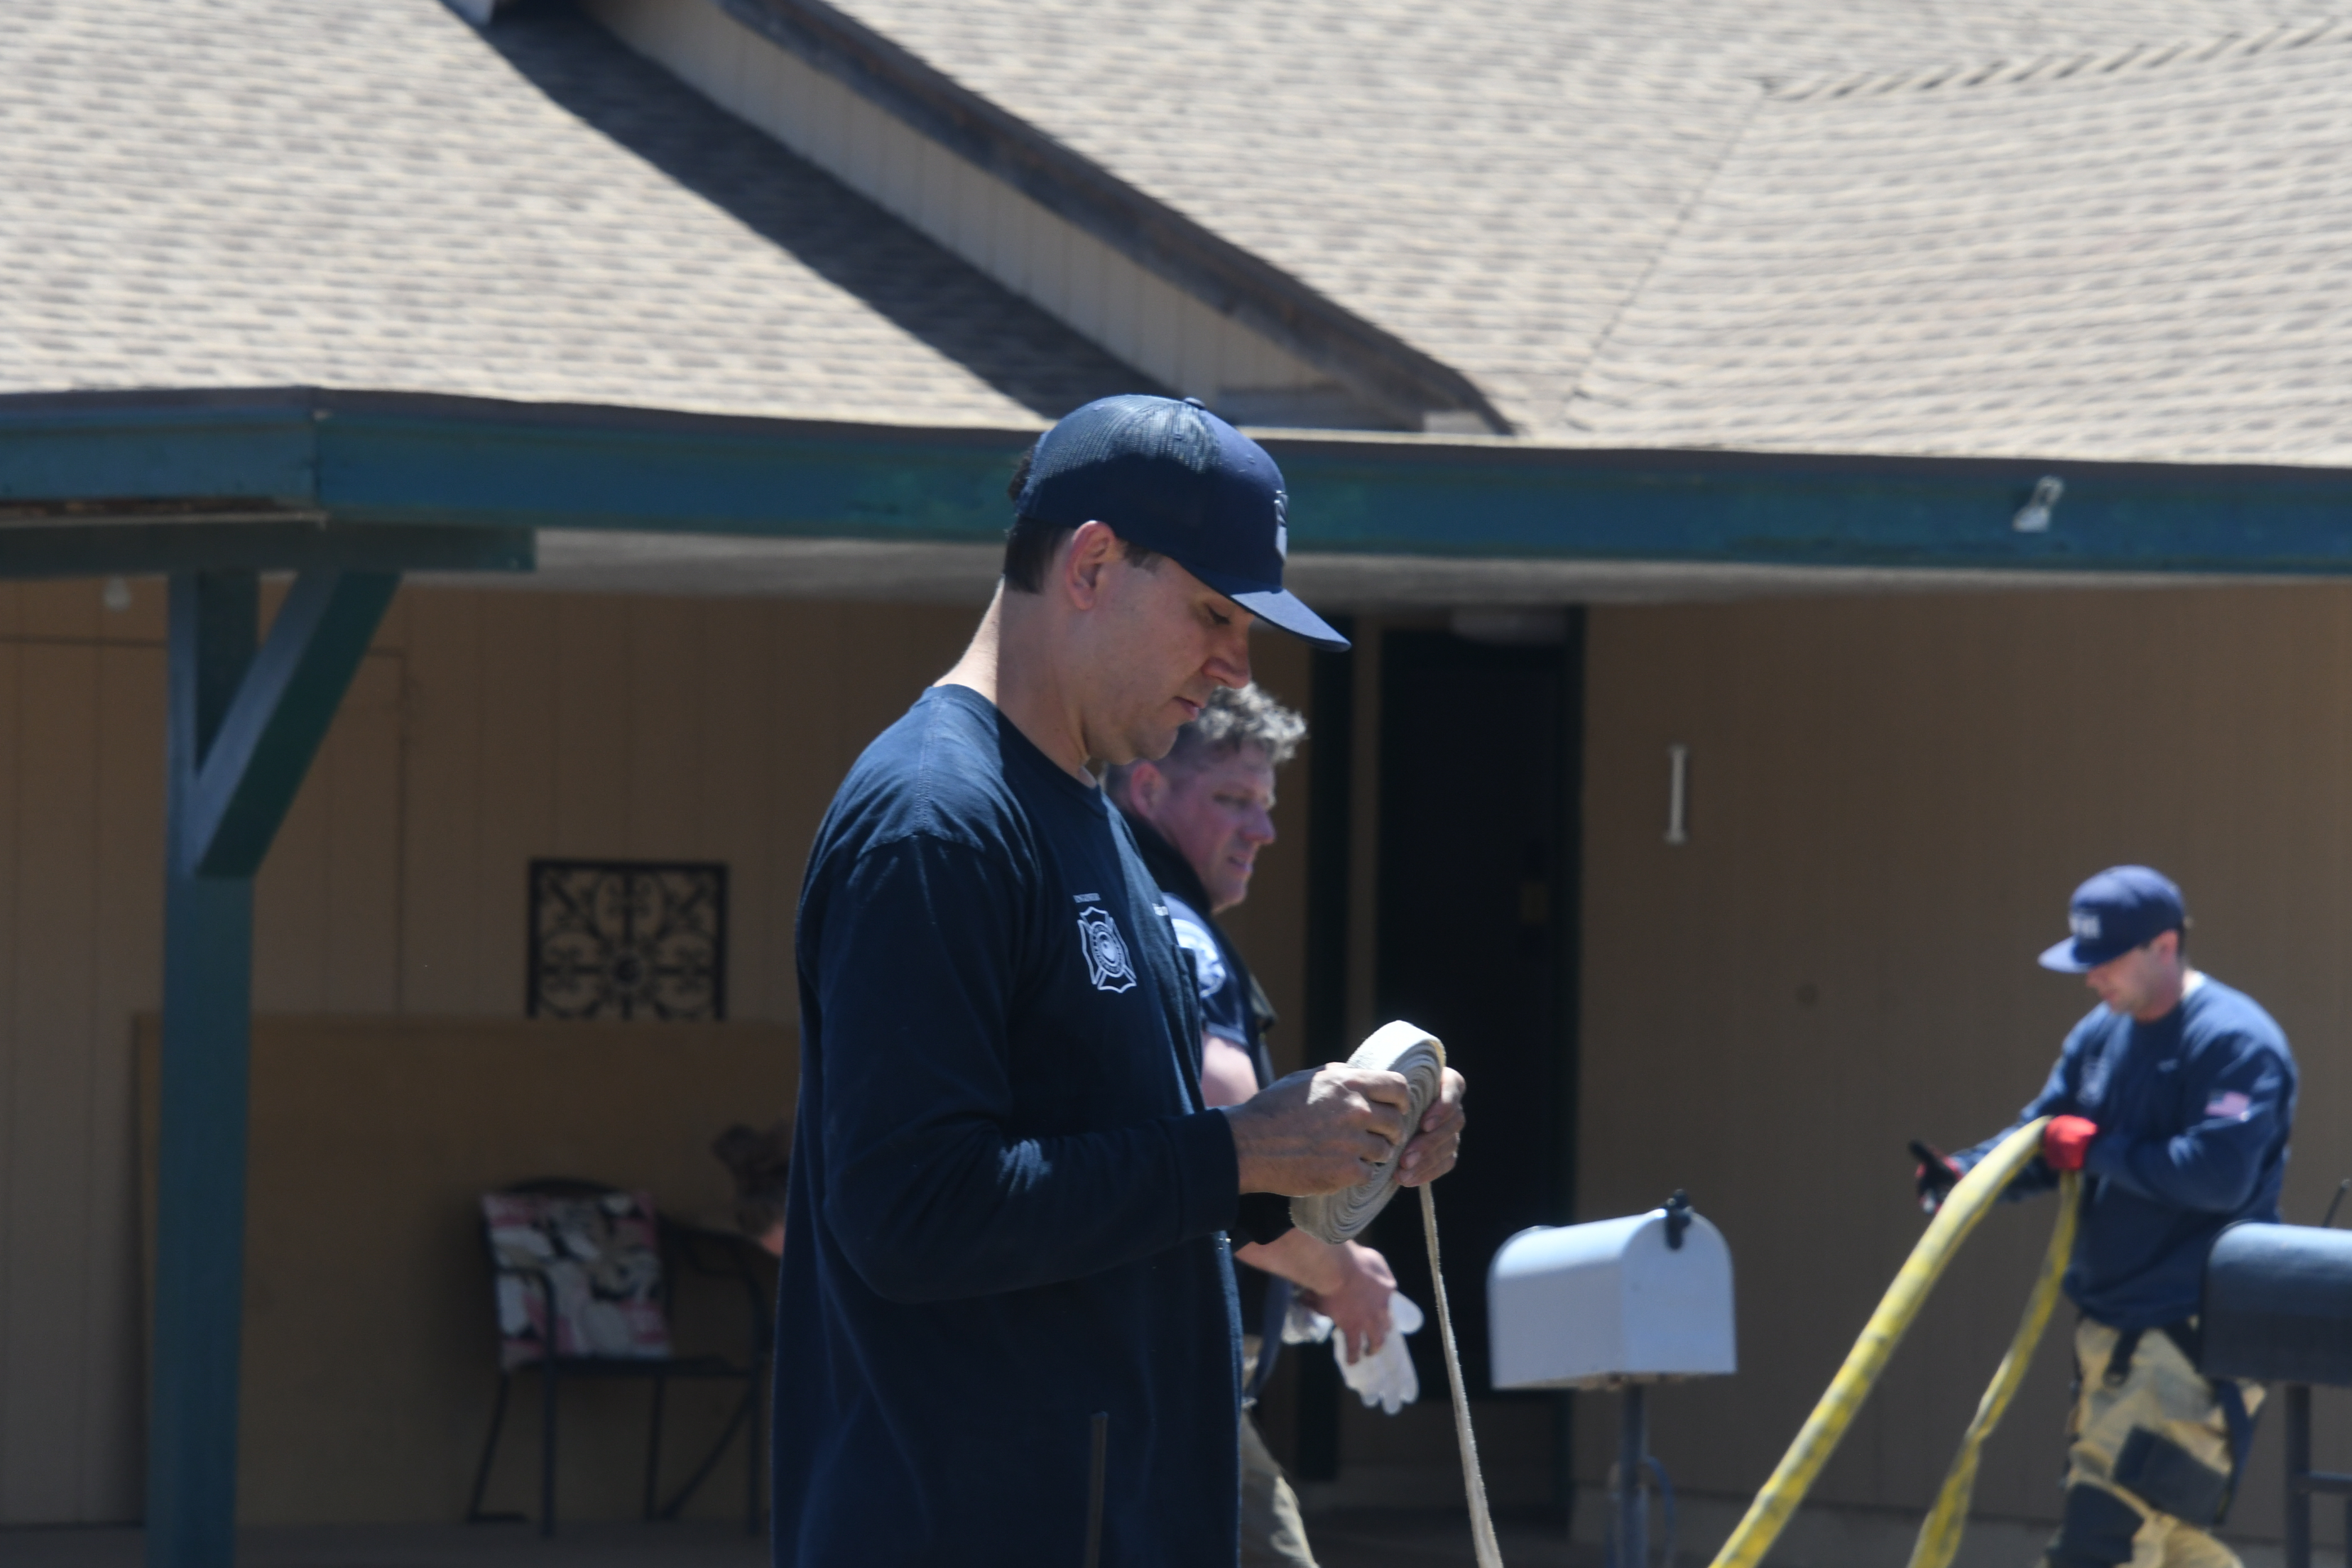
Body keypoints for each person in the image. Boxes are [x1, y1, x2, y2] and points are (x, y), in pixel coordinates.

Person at [772, 393, 1468, 1568]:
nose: (1235, 665)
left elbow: (1123, 1161)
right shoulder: (937, 819)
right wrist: (1236, 1150)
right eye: (1213, 613)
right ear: (1092, 564)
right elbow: (912, 1213)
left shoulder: (1083, 808)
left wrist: (1326, 1147)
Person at [1921, 867, 2296, 1568]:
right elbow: (2045, 1137)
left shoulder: (2233, 1041)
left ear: (2165, 946)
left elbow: (2218, 1175)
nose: (2092, 978)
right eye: (2084, 963)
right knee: (2163, 1542)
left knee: (2104, 1539)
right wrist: (1964, 1176)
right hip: (2112, 1335)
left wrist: (2098, 1151)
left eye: (2107, 962)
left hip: (2189, 1338)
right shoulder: (2103, 1033)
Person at [1108, 684, 1403, 1568]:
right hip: (1173, 1389)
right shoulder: (1181, 939)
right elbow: (1240, 1167)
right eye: (1233, 799)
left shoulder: (1104, 914)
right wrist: (1343, 1275)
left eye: (1266, 804)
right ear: (1148, 789)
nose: (1263, 831)